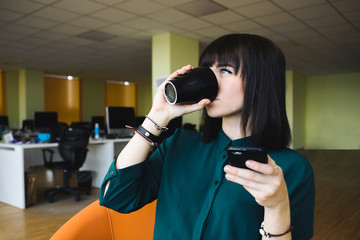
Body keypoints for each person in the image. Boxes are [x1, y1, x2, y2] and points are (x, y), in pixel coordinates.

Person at [99, 34, 315, 240]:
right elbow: (116, 197)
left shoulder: (291, 168)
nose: (210, 79)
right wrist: (157, 116)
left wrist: (277, 206)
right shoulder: (179, 144)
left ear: (259, 84)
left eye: (224, 70)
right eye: (208, 70)